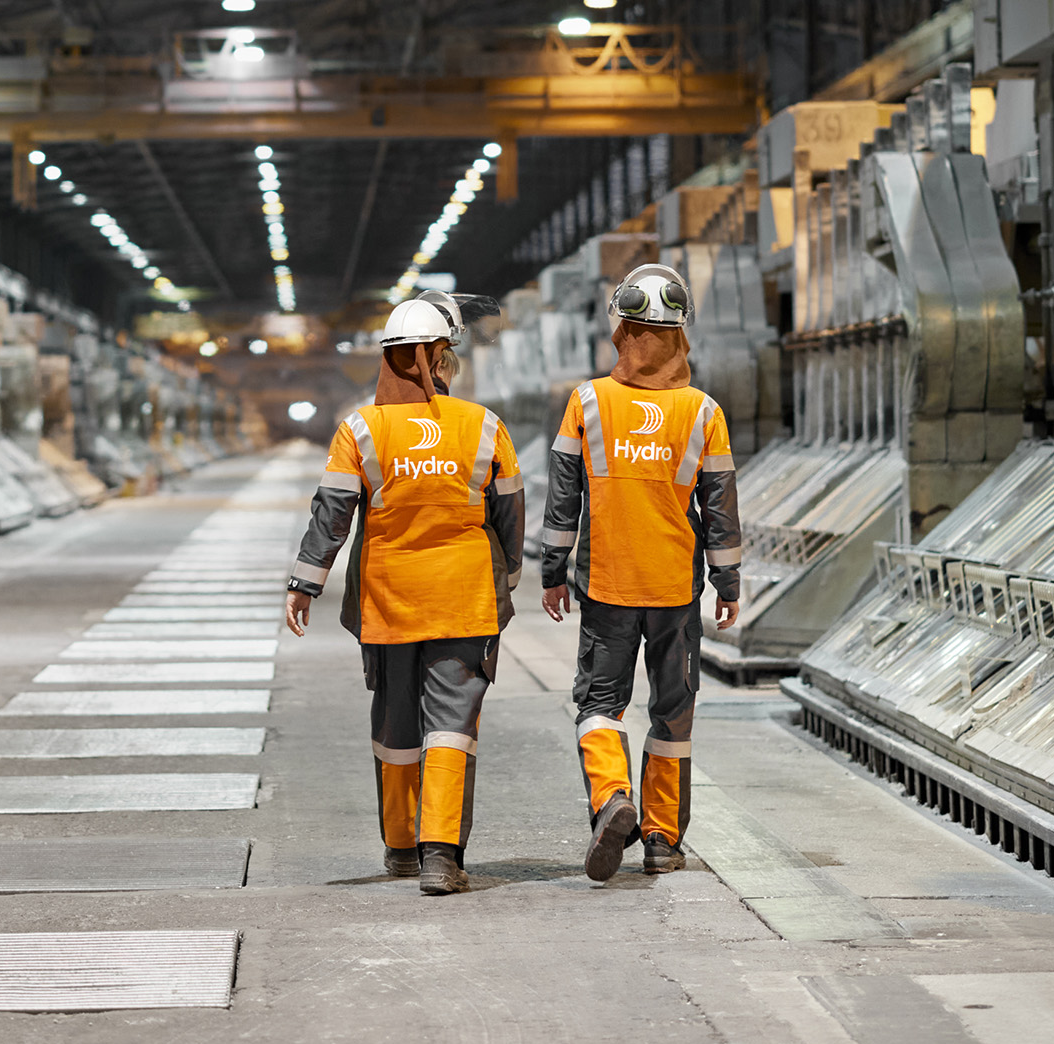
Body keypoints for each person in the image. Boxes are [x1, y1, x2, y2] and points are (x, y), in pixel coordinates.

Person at [285, 295, 523, 896]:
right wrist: (509, 577)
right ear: (434, 357)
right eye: (447, 355)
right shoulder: (483, 425)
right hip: (464, 598)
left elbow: (332, 513)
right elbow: (510, 513)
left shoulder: (361, 429)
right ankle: (442, 855)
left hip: (388, 601)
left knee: (395, 722)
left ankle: (399, 848)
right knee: (452, 724)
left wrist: (305, 582)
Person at [539, 263, 741, 882]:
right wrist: (728, 583)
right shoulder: (704, 412)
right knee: (672, 716)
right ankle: (660, 838)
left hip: (607, 585)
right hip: (676, 589)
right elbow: (720, 506)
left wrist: (552, 569)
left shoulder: (588, 402)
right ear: (681, 335)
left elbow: (563, 498)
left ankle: (611, 798)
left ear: (620, 331)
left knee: (600, 704)